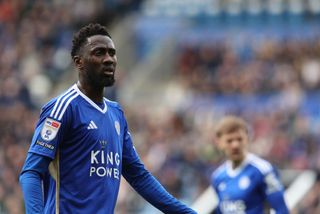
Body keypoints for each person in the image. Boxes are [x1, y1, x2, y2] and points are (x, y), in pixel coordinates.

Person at [19, 23, 196, 214]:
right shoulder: (63, 108)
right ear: (79, 62)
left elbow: (138, 176)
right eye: (99, 53)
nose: (109, 59)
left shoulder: (116, 113)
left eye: (112, 53)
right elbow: (31, 173)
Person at [211, 115, 289, 214]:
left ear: (247, 139)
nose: (235, 145)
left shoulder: (262, 170)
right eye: (229, 141)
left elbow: (281, 209)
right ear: (219, 143)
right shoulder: (218, 177)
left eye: (239, 139)